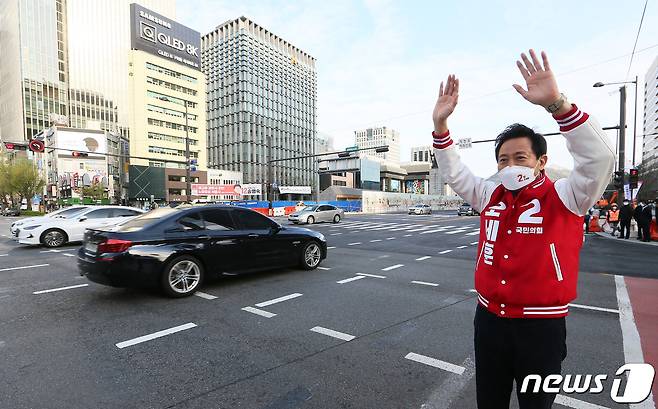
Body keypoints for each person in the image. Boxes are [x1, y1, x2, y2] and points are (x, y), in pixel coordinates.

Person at [432, 49, 615, 409]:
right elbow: (454, 173)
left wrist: (558, 105)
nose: (510, 165)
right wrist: (441, 127)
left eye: (520, 157)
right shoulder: (489, 194)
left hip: (540, 330)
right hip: (488, 322)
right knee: (490, 402)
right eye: (503, 159)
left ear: (541, 161)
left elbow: (600, 159)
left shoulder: (566, 195)